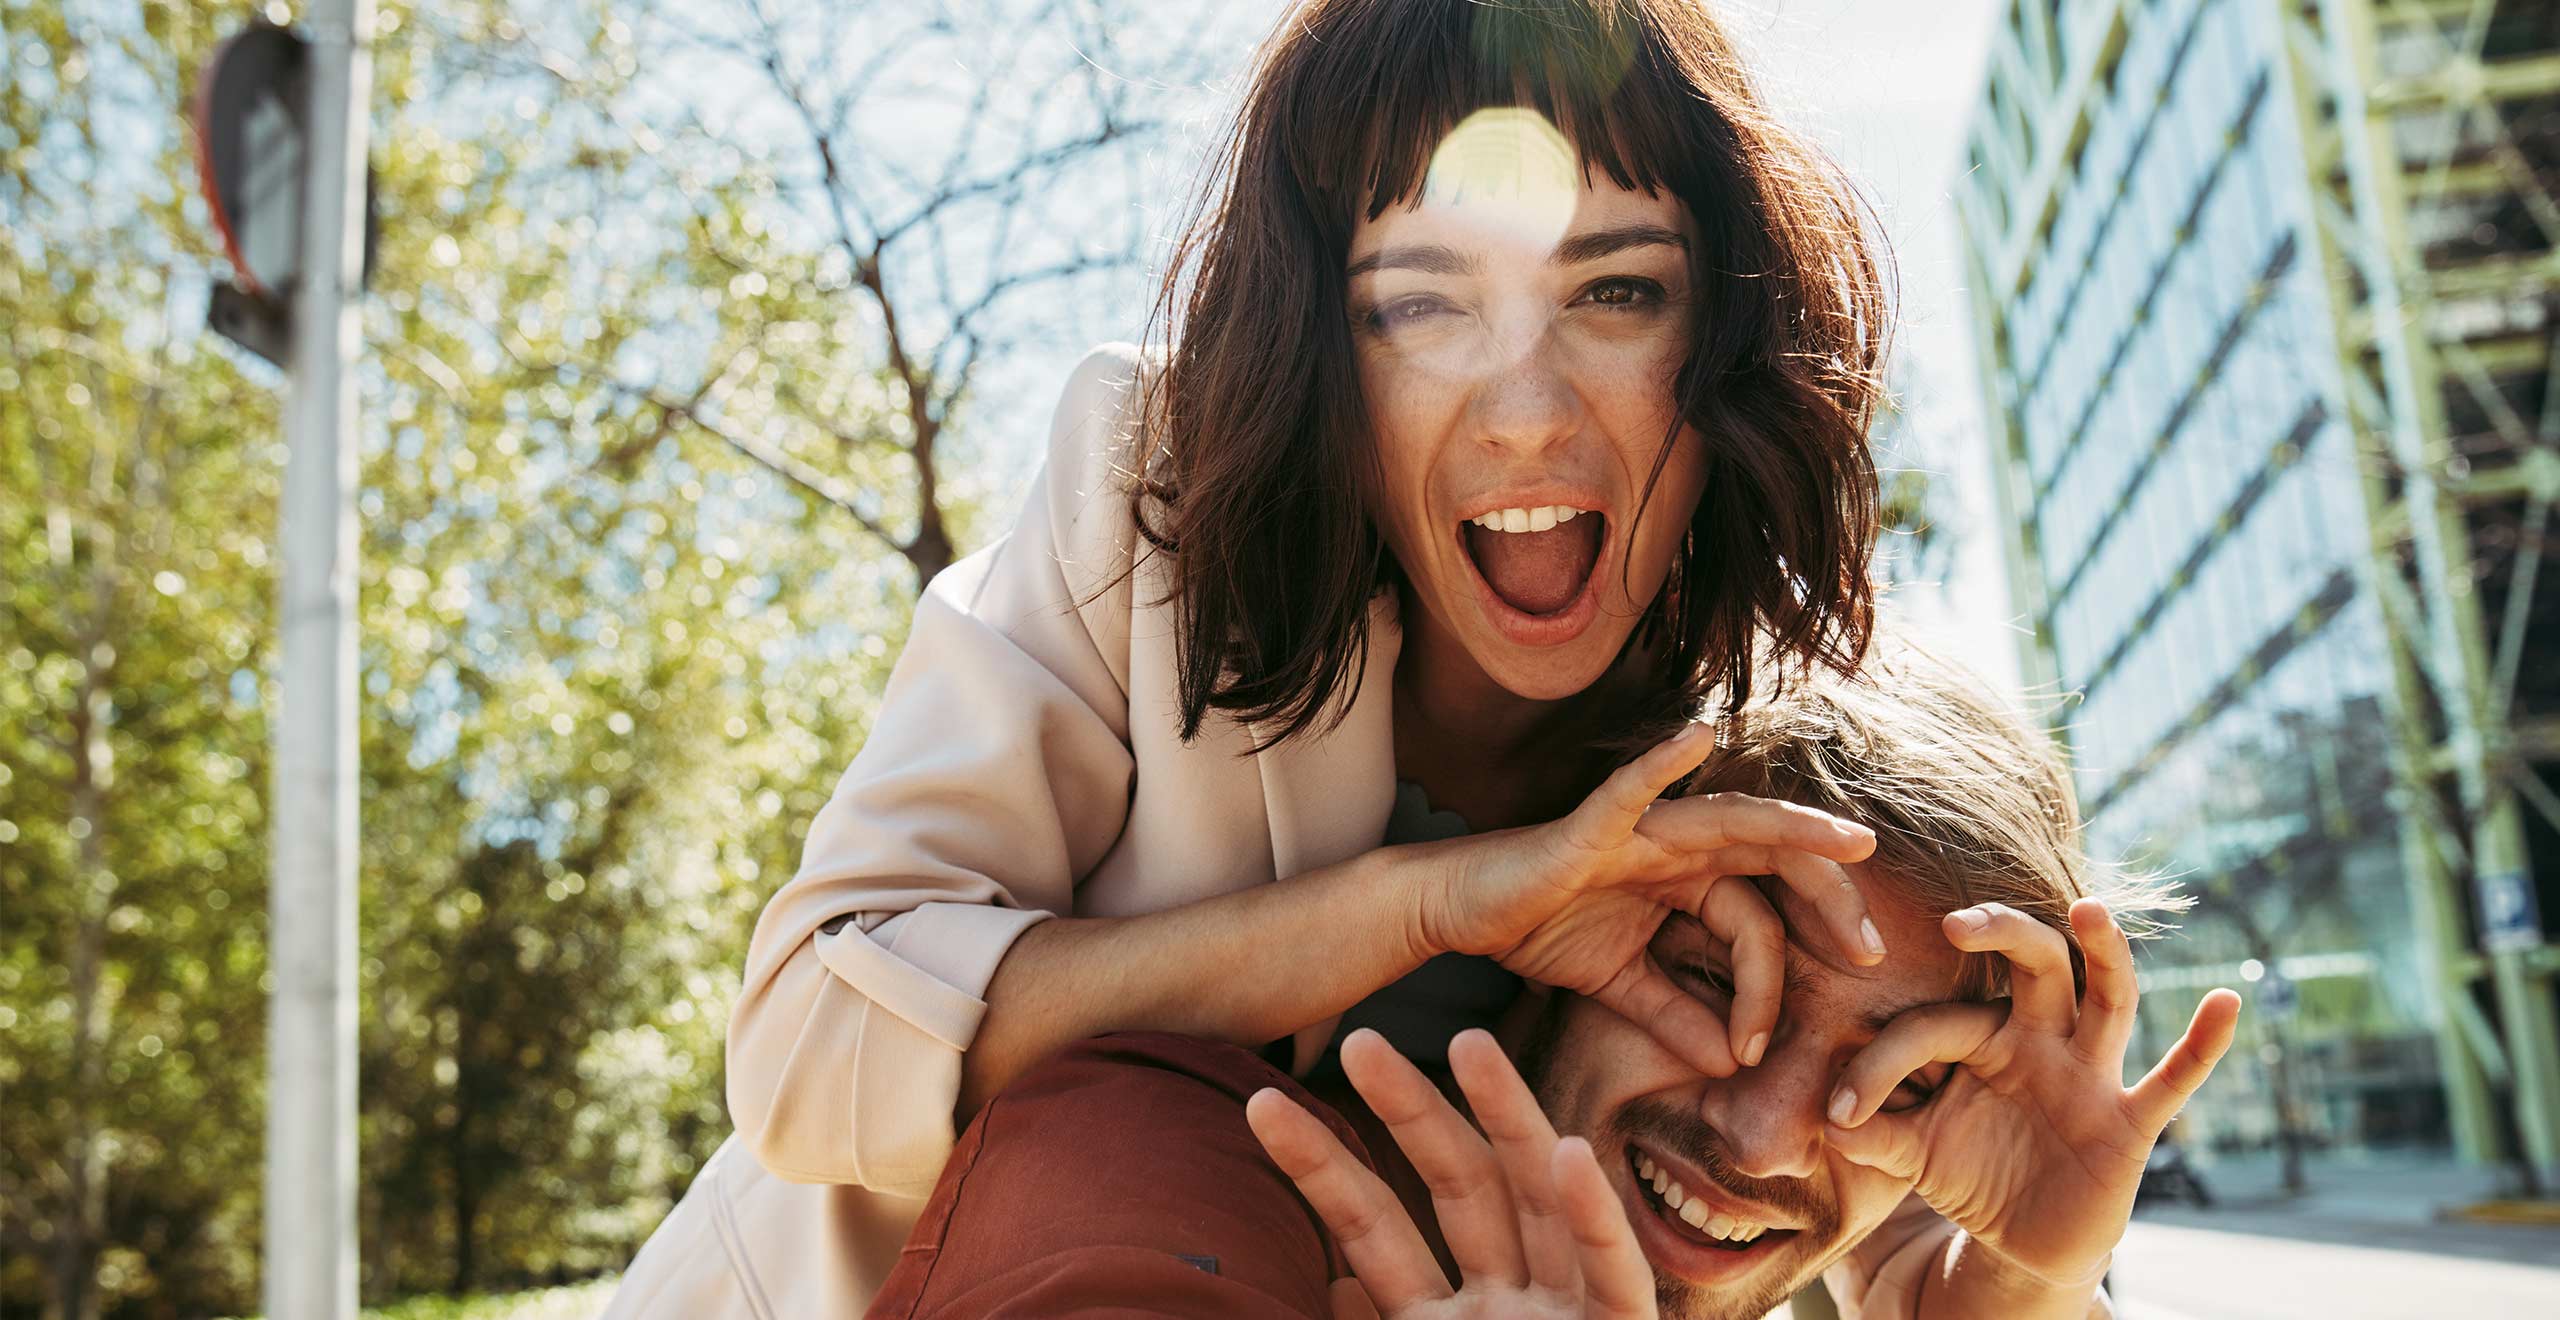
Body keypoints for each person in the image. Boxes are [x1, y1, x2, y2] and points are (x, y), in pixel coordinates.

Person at [605, 1, 1899, 1312]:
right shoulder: (1156, 496)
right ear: (1325, 359)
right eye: (1419, 303)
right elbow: (810, 1048)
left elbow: (1884, 1141)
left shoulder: (1777, 726)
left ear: (1724, 336)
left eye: (1617, 291)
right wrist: (1425, 904)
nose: (1524, 415)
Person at [862, 646, 2244, 1319]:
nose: (1764, 1134)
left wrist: (2016, 1287)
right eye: (1719, 983)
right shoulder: (1167, 1153)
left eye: (1905, 1079)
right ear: (1556, 936)